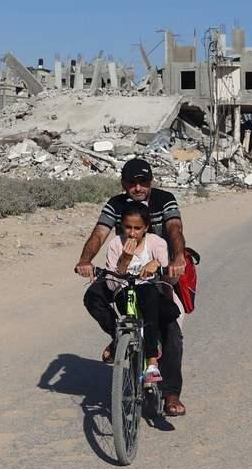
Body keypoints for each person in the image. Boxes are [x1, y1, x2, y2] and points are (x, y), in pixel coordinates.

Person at [75, 158, 189, 416]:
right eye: (132, 183)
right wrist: (85, 260)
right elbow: (99, 233)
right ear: (124, 184)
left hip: (160, 273)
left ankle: (171, 394)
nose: (138, 187)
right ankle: (119, 337)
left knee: (171, 330)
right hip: (123, 275)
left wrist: (177, 258)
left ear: (152, 181)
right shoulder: (116, 205)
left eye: (143, 182)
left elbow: (175, 229)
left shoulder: (164, 200)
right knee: (93, 297)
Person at [99, 203, 181, 383]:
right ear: (121, 226)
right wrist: (125, 259)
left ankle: (152, 361)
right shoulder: (115, 244)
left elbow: (166, 274)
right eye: (128, 227)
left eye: (137, 228)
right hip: (124, 292)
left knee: (155, 299)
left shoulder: (156, 242)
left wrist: (157, 264)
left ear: (146, 228)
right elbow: (113, 285)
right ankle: (119, 340)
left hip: (150, 293)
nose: (132, 233)